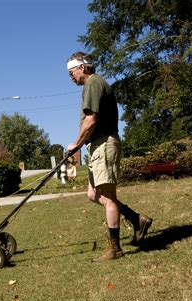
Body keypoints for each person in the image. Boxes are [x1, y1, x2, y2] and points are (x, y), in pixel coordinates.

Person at [66, 51, 153, 262]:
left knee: (109, 199)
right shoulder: (93, 84)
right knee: (92, 194)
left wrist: (75, 144)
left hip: (104, 144)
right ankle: (136, 219)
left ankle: (115, 248)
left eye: (71, 72)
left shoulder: (93, 84)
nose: (70, 77)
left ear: (83, 67)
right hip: (97, 145)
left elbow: (91, 120)